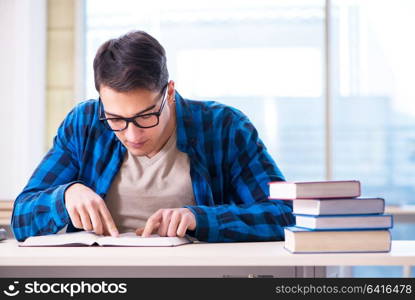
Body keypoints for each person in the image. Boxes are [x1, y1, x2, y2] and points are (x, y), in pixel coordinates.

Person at [11, 30, 294, 242]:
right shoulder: (84, 123)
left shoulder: (224, 127)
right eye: (116, 119)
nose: (132, 134)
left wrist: (199, 218)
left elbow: (284, 216)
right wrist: (65, 196)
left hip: (197, 275)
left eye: (146, 116)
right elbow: (22, 218)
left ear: (169, 92)